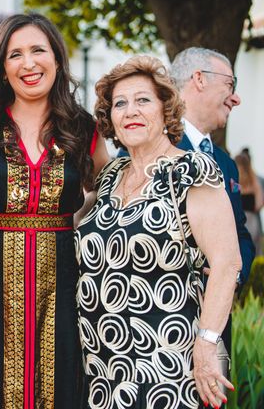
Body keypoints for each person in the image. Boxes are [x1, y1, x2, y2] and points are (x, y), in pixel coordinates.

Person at [0, 13, 109, 408]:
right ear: (2, 69)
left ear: (57, 58)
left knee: (60, 380)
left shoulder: (84, 128)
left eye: (38, 50)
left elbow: (111, 199)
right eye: (14, 54)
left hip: (64, 276)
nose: (28, 63)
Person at [77, 55, 241, 408]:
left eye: (143, 100)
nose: (130, 110)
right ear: (111, 120)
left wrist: (207, 343)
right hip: (101, 366)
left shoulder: (192, 170)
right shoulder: (109, 178)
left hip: (167, 364)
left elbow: (227, 263)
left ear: (166, 110)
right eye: (119, 103)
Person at [170, 47, 255, 286]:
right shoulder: (150, 148)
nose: (236, 98)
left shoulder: (226, 163)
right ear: (200, 79)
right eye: (230, 85)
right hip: (163, 311)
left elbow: (240, 234)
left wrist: (233, 276)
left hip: (218, 316)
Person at [235, 151, 263, 251]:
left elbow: (233, 200)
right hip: (253, 221)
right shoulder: (254, 182)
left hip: (239, 221)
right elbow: (259, 204)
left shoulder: (236, 183)